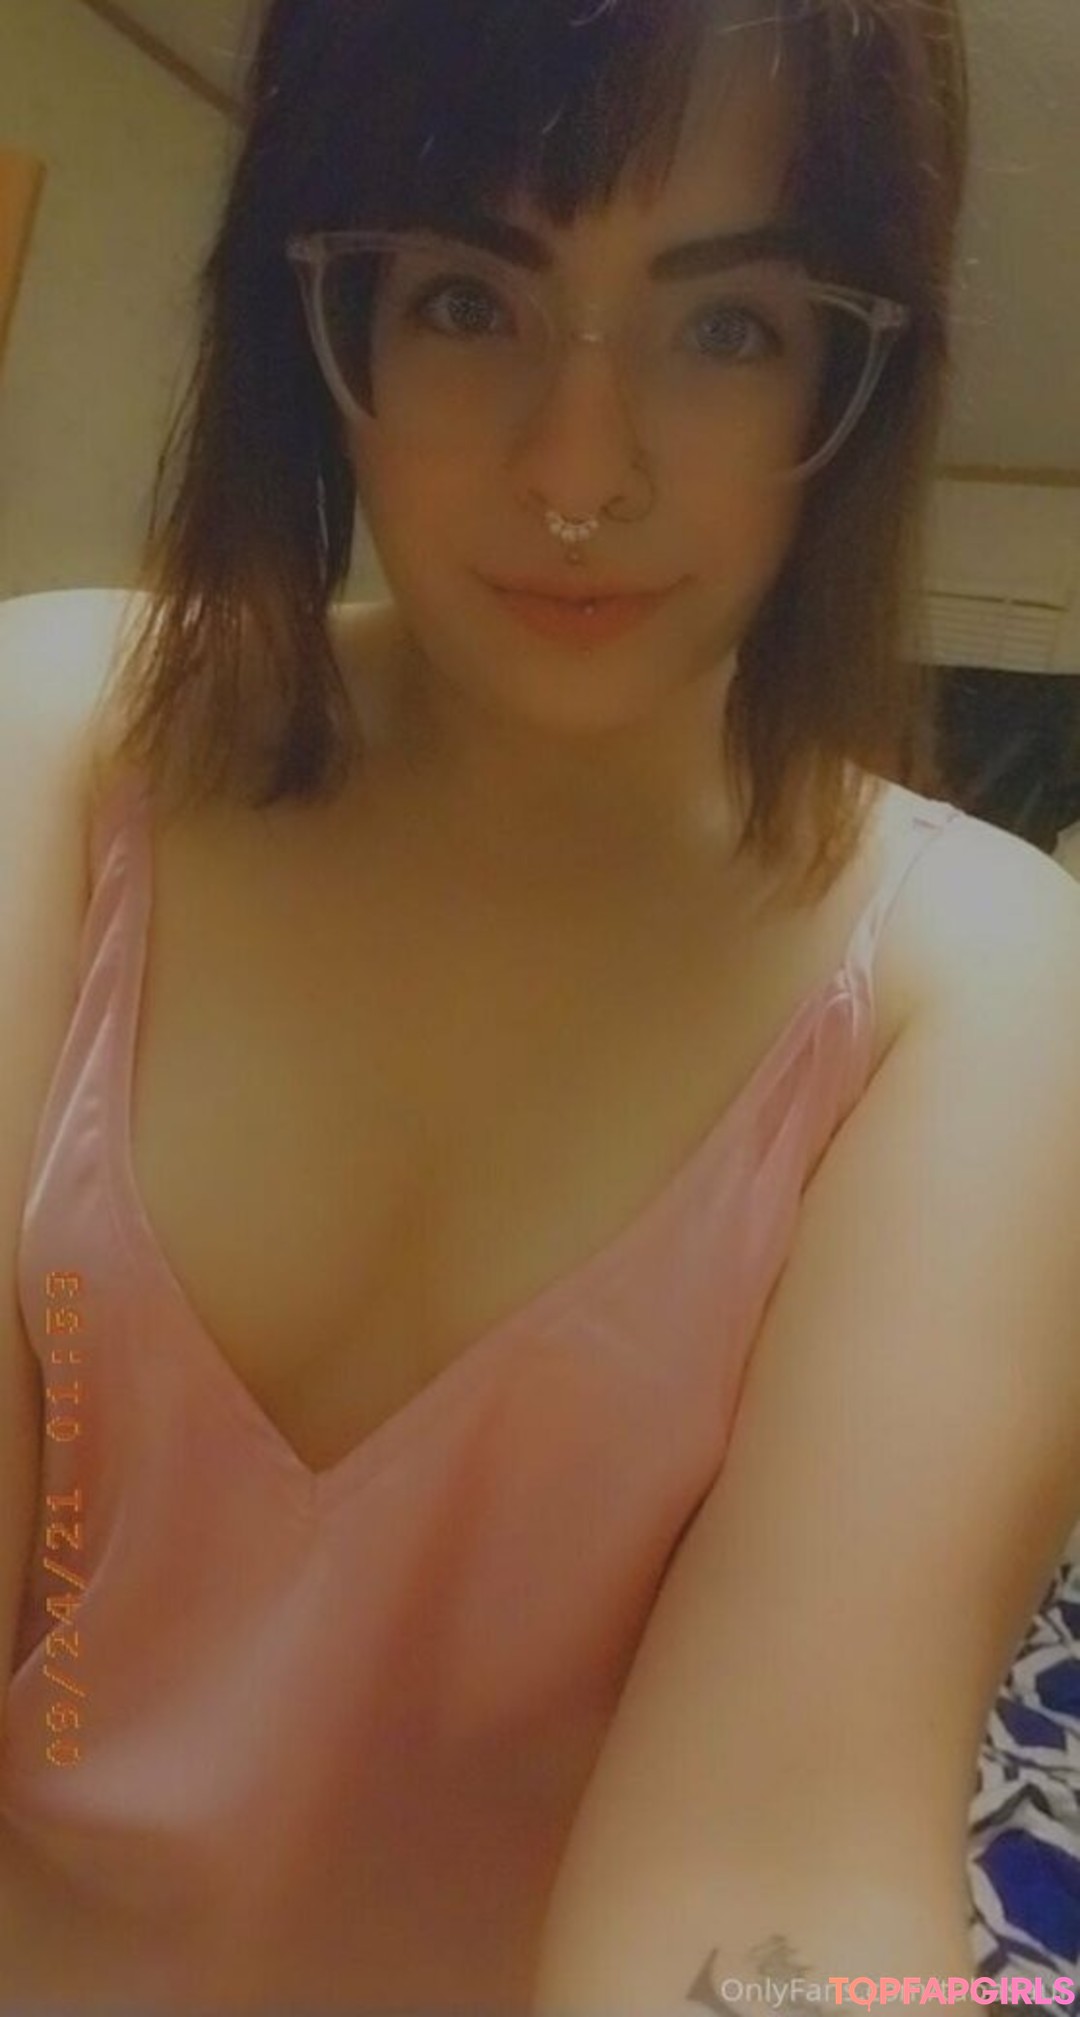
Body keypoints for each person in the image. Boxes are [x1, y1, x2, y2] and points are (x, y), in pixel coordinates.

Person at [1, 0, 1079, 2010]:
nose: (579, 472)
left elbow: (775, 1873)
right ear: (318, 312)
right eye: (465, 302)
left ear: (859, 368)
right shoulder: (54, 749)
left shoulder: (979, 992)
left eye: (727, 326)